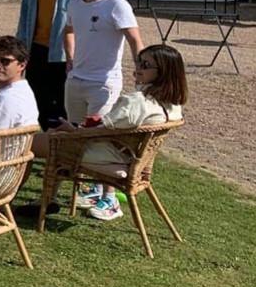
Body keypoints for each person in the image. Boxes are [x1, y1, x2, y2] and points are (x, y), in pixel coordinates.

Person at [33, 44, 186, 221]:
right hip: (130, 159)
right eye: (138, 62)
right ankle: (47, 198)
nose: (138, 68)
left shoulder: (136, 101)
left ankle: (12, 193)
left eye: (145, 65)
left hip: (105, 156)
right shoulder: (173, 105)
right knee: (54, 135)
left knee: (30, 142)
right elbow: (110, 128)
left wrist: (73, 129)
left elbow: (100, 132)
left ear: (164, 72)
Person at [61, 0, 142, 216]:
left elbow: (134, 39)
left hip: (104, 82)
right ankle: (93, 188)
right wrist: (70, 58)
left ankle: (111, 199)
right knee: (76, 133)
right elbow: (69, 30)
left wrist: (141, 69)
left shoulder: (117, 5)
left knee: (101, 136)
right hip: (76, 80)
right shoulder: (74, 4)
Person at [15, 0, 80, 130]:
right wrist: (20, 50)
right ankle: (39, 146)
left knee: (63, 104)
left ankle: (63, 151)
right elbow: (24, 16)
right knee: (37, 101)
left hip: (62, 52)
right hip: (36, 49)